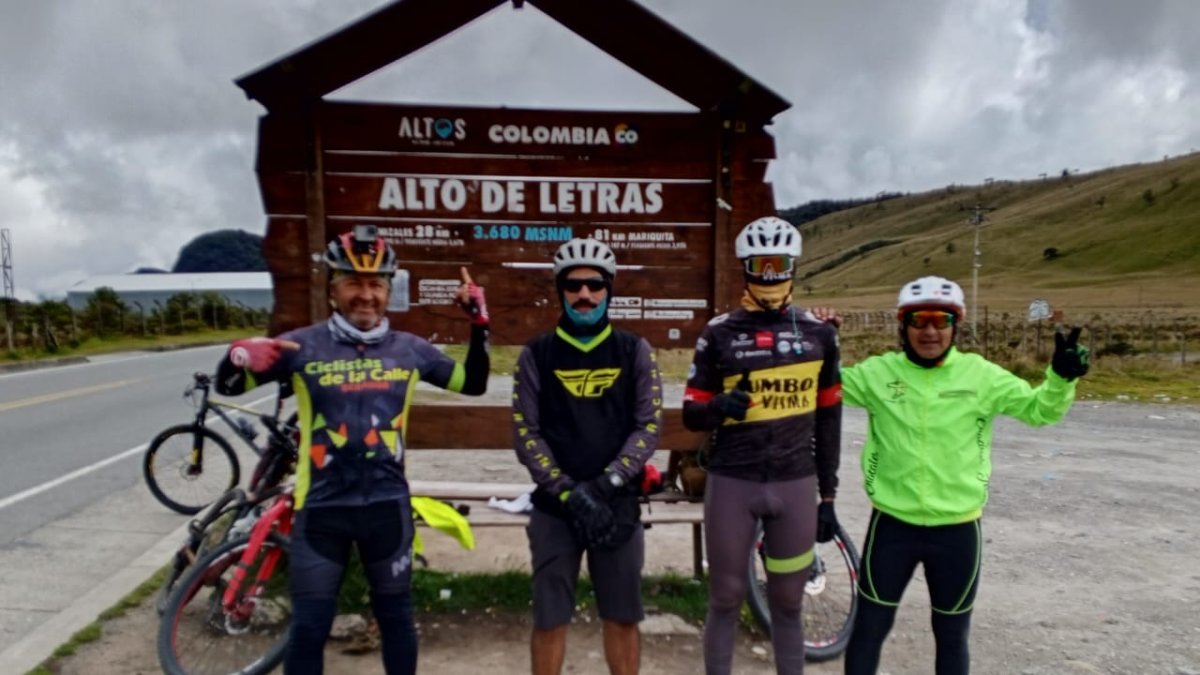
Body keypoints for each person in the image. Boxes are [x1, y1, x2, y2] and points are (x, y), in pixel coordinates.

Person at [214, 225, 491, 675]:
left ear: (388, 290)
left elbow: (473, 383)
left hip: (386, 508)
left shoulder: (411, 351)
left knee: (397, 619)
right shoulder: (299, 347)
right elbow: (228, 384)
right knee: (309, 627)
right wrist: (237, 357)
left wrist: (479, 323)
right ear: (333, 289)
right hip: (322, 511)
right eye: (354, 283)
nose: (366, 295)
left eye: (376, 284)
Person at [829, 276, 1090, 675]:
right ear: (904, 325)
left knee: (951, 636)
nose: (930, 331)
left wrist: (1061, 378)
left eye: (941, 319)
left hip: (958, 530)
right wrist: (819, 339)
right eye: (919, 320)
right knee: (869, 630)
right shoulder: (879, 373)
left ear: (955, 325)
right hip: (892, 526)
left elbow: (1041, 411)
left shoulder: (980, 375)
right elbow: (823, 388)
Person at [682, 216, 843, 675]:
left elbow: (829, 422)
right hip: (733, 480)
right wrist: (720, 408)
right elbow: (692, 413)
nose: (770, 275)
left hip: (795, 484)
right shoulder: (719, 333)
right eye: (761, 264)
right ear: (746, 268)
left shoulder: (820, 335)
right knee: (725, 598)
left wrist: (828, 497)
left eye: (779, 264)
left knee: (789, 603)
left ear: (793, 267)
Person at [511, 237, 663, 675]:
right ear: (560, 289)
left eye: (594, 285)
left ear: (608, 289)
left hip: (615, 503)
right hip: (556, 508)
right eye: (574, 285)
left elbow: (648, 425)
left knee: (622, 615)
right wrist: (567, 493)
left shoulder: (635, 350)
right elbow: (526, 432)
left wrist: (604, 485)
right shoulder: (536, 354)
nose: (585, 294)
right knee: (549, 617)